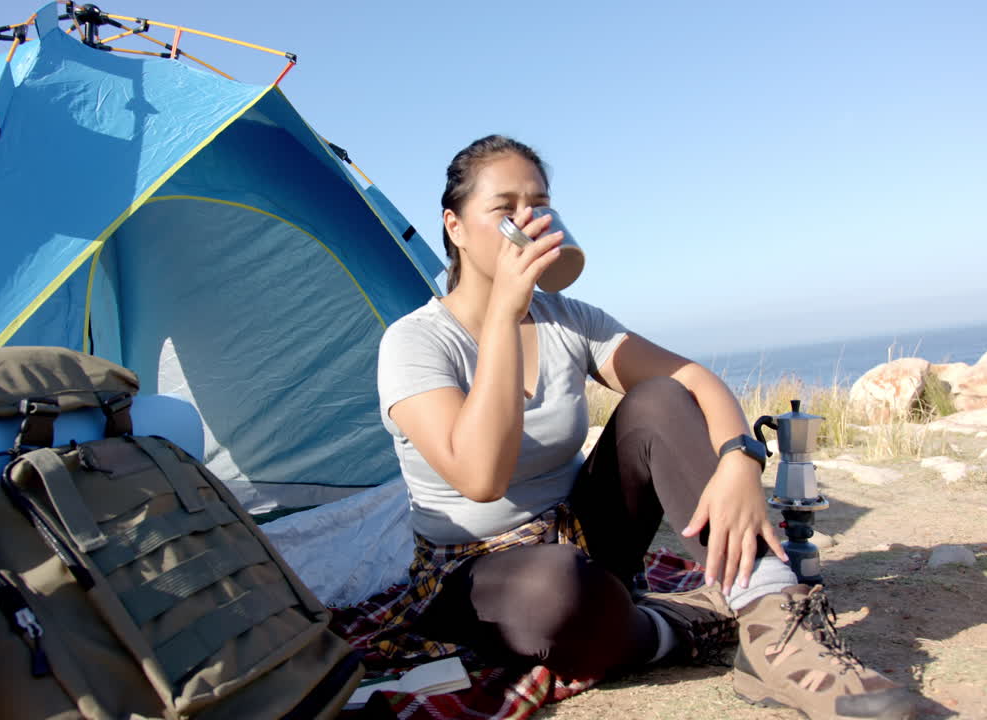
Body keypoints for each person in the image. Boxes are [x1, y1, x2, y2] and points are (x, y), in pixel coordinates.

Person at [376, 135, 915, 720]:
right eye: (506, 209)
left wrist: (739, 458)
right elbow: (481, 477)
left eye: (539, 205)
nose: (527, 222)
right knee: (555, 588)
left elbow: (691, 379)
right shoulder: (415, 342)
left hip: (581, 536)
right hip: (474, 571)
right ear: (455, 227)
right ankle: (674, 627)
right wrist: (504, 315)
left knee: (657, 399)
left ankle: (778, 633)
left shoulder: (569, 319)